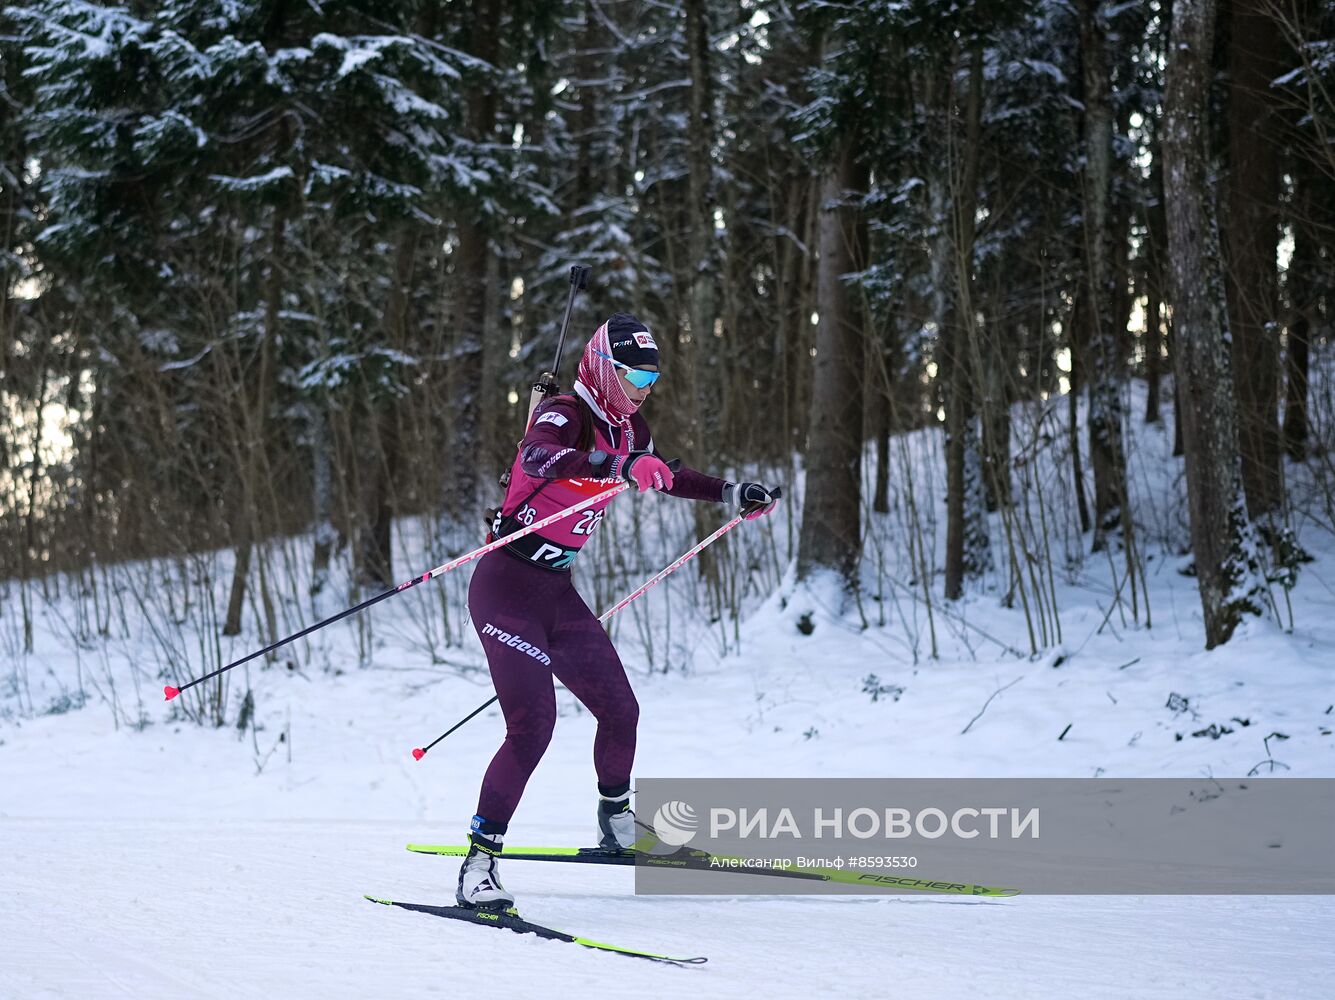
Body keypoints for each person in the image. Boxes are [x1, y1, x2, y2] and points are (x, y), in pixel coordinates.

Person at [457, 312, 780, 910]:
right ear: (605, 369)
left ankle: (615, 822)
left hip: (555, 591)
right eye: (635, 375)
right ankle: (479, 863)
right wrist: (618, 467)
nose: (645, 388)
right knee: (534, 728)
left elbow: (667, 475)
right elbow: (537, 458)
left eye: (652, 377)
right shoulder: (566, 414)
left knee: (621, 709)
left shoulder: (630, 429)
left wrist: (730, 493)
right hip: (505, 590)